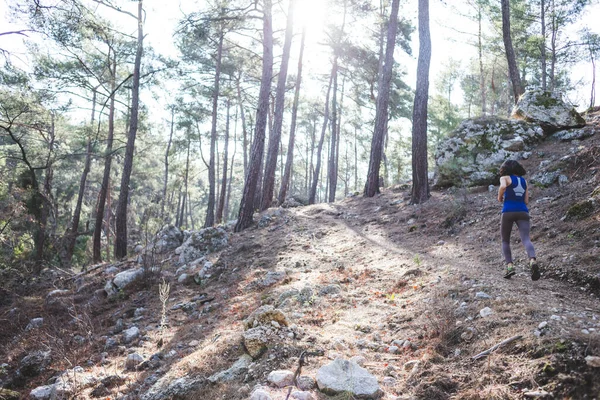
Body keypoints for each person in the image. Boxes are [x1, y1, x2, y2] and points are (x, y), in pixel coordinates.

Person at [497, 159, 540, 280]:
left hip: (508, 211)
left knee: (505, 240)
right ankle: (532, 261)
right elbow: (526, 201)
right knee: (526, 238)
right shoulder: (524, 181)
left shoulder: (505, 178)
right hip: (523, 212)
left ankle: (510, 266)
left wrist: (500, 197)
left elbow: (503, 187)